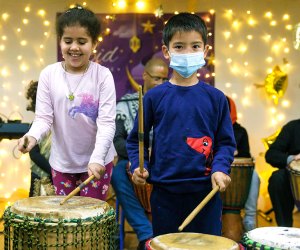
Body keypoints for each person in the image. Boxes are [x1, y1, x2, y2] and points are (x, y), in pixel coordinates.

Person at [126, 12, 236, 237]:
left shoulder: (216, 98)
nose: (188, 53)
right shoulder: (153, 97)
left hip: (206, 192)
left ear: (205, 51)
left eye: (195, 46)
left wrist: (220, 168)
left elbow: (225, 143)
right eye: (179, 46)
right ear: (167, 52)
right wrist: (140, 166)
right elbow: (137, 139)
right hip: (164, 194)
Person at [18, 5, 116, 200]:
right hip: (62, 164)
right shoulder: (49, 74)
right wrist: (32, 136)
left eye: (82, 41)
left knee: (91, 222)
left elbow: (106, 123)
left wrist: (97, 159)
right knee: (68, 224)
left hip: (97, 162)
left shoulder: (103, 76)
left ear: (94, 43)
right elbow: (44, 118)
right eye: (68, 40)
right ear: (60, 41)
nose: (74, 47)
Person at [111, 57, 169, 249]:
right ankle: (146, 233)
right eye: (156, 78)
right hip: (134, 160)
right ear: (144, 76)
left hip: (163, 160)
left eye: (164, 79)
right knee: (118, 172)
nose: (160, 83)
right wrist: (138, 157)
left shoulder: (171, 105)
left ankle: (170, 234)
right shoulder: (125, 104)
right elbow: (118, 139)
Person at [222, 96, 260, 241]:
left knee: (254, 175)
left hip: (235, 173)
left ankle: (250, 218)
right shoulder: (209, 127)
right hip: (215, 171)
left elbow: (246, 157)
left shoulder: (240, 131)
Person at [265, 119, 300, 226]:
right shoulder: (293, 127)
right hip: (294, 175)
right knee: (277, 179)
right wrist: (293, 158)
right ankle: (285, 228)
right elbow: (271, 154)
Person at [25, 80, 53, 197]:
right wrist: (53, 171)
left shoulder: (62, 126)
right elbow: (34, 154)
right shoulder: (36, 126)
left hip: (58, 177)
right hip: (40, 178)